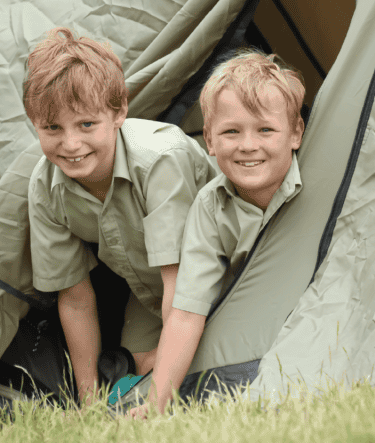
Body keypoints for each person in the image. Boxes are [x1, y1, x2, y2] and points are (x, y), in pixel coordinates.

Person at [24, 27, 216, 404]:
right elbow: (76, 299)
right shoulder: (46, 188)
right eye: (52, 128)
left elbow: (182, 286)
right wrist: (88, 400)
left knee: (180, 374)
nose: (71, 144)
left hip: (212, 284)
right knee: (133, 372)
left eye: (86, 124)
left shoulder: (160, 161)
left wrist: (159, 397)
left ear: (119, 112)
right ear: (34, 123)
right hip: (149, 297)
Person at [131, 49, 305, 418]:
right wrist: (156, 404)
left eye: (265, 130)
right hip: (252, 333)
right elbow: (186, 313)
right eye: (230, 131)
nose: (247, 145)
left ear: (296, 134)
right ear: (208, 140)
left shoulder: (322, 176)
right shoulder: (210, 210)